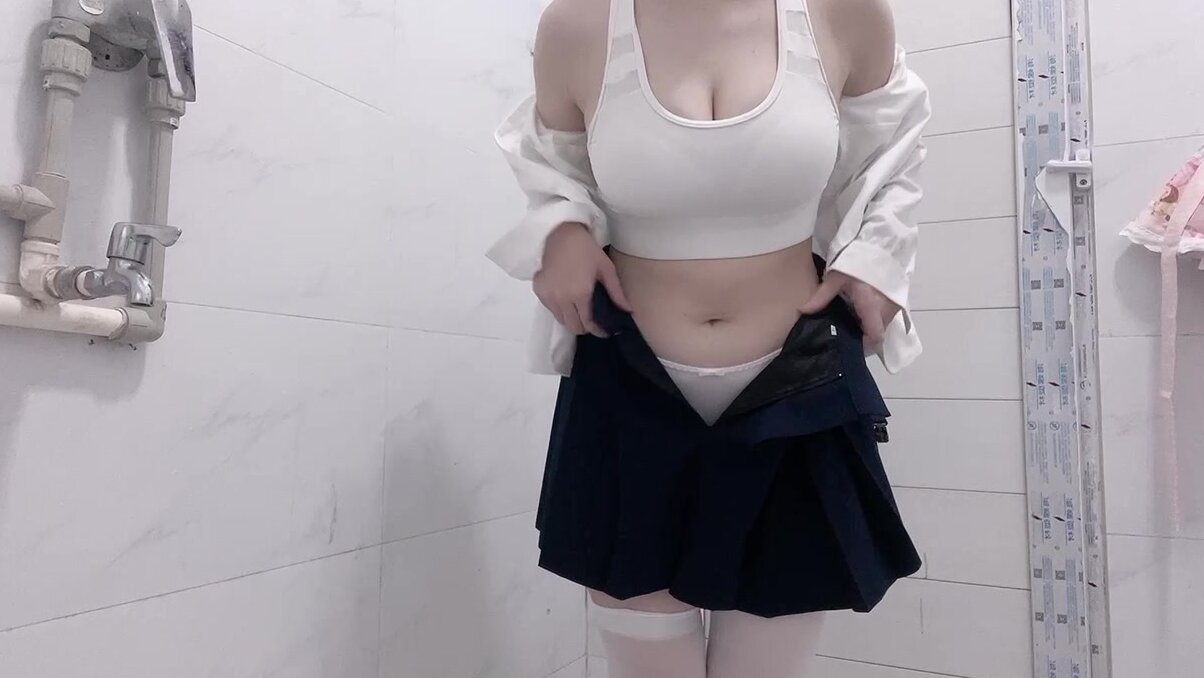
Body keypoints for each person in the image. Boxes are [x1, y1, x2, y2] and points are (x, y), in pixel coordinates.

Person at [487, 0, 931, 675]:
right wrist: (563, 228)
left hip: (797, 387)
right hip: (629, 387)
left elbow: (894, 153)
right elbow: (553, 166)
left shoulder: (844, 12)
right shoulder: (576, 24)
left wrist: (879, 255)